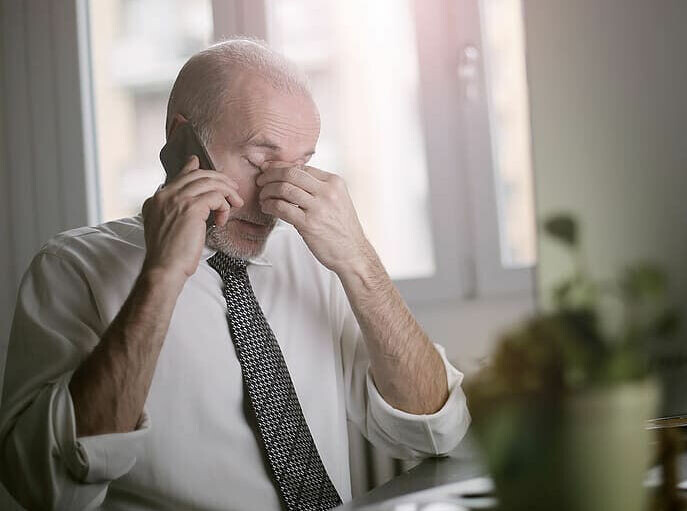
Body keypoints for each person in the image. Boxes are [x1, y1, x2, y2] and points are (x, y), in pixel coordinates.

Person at [0, 39, 470, 510]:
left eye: (299, 165)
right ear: (179, 137)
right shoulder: (72, 268)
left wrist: (359, 260)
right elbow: (46, 485)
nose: (275, 199)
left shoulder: (316, 260)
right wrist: (161, 278)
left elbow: (434, 429)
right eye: (258, 161)